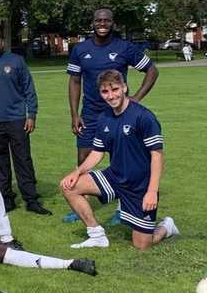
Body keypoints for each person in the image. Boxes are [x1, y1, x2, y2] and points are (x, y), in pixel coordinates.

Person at [60, 70, 178, 250]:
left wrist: (152, 191)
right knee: (69, 187)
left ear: (124, 87)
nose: (110, 95)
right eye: (105, 92)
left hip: (139, 186)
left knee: (142, 245)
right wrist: (77, 172)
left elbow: (157, 155)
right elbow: (97, 153)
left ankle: (166, 227)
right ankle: (97, 235)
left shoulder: (143, 117)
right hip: (114, 177)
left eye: (114, 89)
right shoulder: (104, 118)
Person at [66, 8, 158, 223]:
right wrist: (73, 114)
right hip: (89, 114)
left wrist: (136, 98)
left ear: (113, 23)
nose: (102, 23)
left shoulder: (125, 47)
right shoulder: (80, 49)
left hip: (119, 113)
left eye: (107, 20)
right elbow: (74, 81)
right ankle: (81, 203)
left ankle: (122, 208)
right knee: (83, 158)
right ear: (93, 22)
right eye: (98, 20)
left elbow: (152, 70)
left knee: (123, 162)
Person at [0, 27, 51, 215]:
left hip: (17, 120)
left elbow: (28, 89)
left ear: (2, 41)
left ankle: (31, 200)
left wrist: (31, 114)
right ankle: (6, 199)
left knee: (23, 160)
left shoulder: (16, 61)